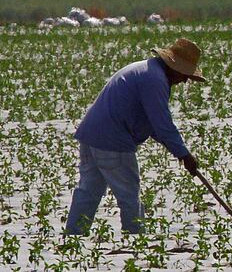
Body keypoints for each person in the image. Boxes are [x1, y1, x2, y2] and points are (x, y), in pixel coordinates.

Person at [64, 38, 205, 235]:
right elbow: (162, 123)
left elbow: (153, 124)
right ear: (174, 67)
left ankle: (74, 234)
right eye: (184, 75)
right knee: (128, 193)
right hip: (113, 139)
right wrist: (184, 154)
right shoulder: (154, 80)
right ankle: (136, 239)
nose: (184, 80)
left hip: (91, 135)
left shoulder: (145, 69)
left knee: (88, 190)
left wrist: (177, 151)